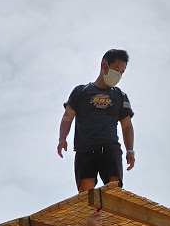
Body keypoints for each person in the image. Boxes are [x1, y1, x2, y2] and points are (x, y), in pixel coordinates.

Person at [57, 48, 135, 193]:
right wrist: (62, 138)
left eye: (122, 72)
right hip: (85, 149)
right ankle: (92, 217)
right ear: (104, 64)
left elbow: (127, 126)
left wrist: (130, 150)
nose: (118, 74)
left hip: (110, 147)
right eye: (116, 68)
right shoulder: (81, 91)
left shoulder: (120, 96)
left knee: (114, 190)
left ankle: (110, 216)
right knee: (85, 191)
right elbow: (68, 116)